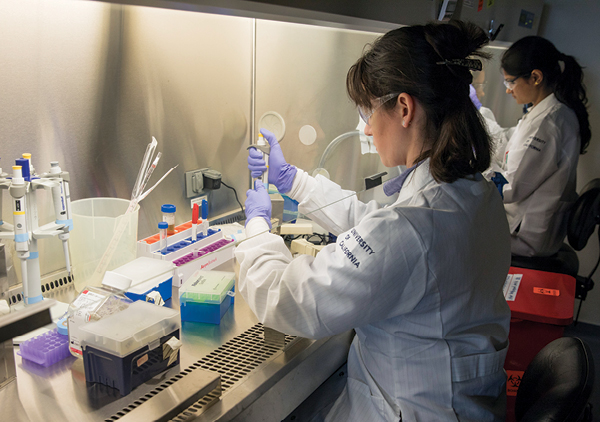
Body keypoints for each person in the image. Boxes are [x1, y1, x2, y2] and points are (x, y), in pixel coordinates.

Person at [237, 21, 511, 421]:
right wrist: (292, 180)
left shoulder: (417, 225)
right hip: (451, 396)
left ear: (404, 107)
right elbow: (374, 223)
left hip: (411, 408)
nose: (366, 127)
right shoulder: (475, 193)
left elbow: (292, 299)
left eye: (368, 110)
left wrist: (256, 230)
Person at [473, 36, 591, 257]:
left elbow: (512, 187)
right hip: (533, 227)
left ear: (535, 77)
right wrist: (479, 118)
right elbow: (511, 143)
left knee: (463, 239)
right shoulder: (546, 112)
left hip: (525, 237)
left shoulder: (547, 124)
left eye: (511, 82)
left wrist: (477, 177)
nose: (508, 90)